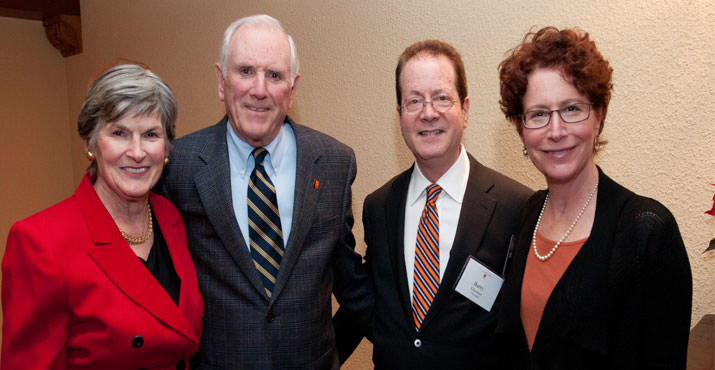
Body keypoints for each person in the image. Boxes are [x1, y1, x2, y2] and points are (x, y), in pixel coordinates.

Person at [158, 14, 370, 369]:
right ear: (221, 81)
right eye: (245, 71)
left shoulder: (334, 163)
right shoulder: (179, 165)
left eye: (274, 75)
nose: (259, 89)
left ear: (293, 87)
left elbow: (348, 281)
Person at [495, 27, 692, 369]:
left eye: (572, 108)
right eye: (538, 114)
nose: (556, 131)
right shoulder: (526, 214)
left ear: (598, 117)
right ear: (521, 130)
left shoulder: (647, 232)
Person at [335, 40, 531, 370]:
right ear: (400, 116)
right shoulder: (379, 207)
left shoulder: (516, 206)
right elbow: (376, 304)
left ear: (465, 110)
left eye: (441, 98)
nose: (428, 113)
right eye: (414, 101)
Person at [2, 64, 203, 370]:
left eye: (150, 134)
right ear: (90, 143)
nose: (137, 152)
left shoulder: (171, 217)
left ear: (166, 148)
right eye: (119, 133)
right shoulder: (40, 241)